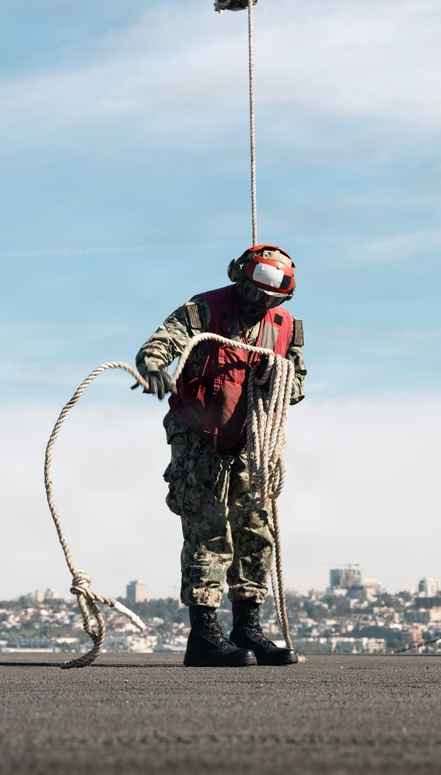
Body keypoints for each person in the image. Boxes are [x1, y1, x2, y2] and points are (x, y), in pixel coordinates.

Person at [135, 243, 306, 667]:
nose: (259, 305)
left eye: (270, 299)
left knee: (255, 529)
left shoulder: (286, 328)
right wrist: (154, 367)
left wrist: (276, 377)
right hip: (198, 435)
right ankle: (203, 634)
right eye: (254, 294)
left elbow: (297, 383)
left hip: (250, 440)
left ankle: (247, 627)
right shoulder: (204, 310)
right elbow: (160, 344)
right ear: (238, 278)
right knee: (208, 527)